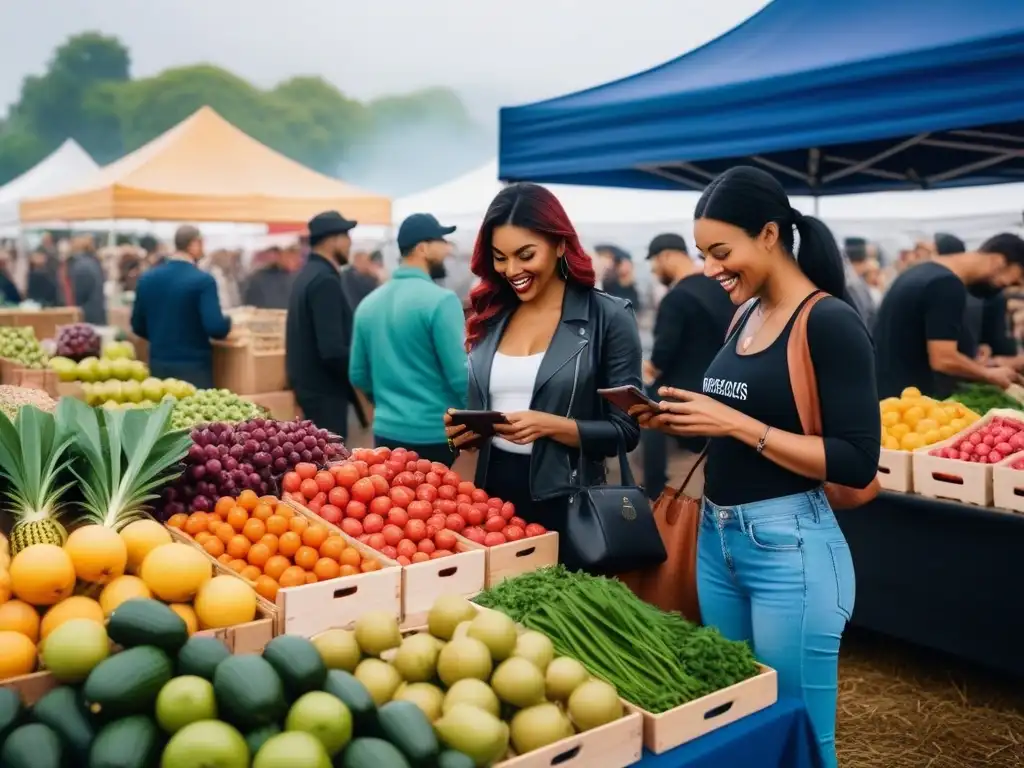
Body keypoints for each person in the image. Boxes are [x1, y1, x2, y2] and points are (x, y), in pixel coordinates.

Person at [634, 166, 879, 768]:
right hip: (718, 542)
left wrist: (734, 424)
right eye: (702, 254)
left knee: (800, 734)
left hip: (790, 550)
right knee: (741, 723)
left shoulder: (829, 321)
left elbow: (855, 459)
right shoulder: (744, 316)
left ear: (769, 234)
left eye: (722, 251)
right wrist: (680, 420)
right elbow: (740, 416)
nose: (711, 267)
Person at [444, 183, 643, 569]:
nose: (512, 271)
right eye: (501, 258)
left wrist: (549, 425)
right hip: (491, 502)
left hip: (568, 501)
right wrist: (464, 433)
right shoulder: (491, 316)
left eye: (525, 255)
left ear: (559, 244)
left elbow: (626, 432)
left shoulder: (609, 317)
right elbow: (482, 418)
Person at [349, 214, 467, 464]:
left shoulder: (368, 304)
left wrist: (387, 401)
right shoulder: (441, 301)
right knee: (432, 502)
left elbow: (357, 374)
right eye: (441, 241)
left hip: (385, 432)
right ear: (423, 248)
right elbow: (459, 375)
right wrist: (481, 421)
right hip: (435, 434)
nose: (447, 248)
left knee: (392, 502)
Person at [874, 231, 1024, 399]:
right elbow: (943, 359)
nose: (1005, 287)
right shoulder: (946, 284)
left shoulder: (920, 271)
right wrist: (988, 374)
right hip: (912, 404)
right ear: (998, 261)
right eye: (1012, 281)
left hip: (889, 397)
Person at [641, 233, 733, 498]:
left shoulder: (676, 298)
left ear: (667, 256)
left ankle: (654, 490)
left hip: (684, 393)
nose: (655, 270)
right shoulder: (720, 286)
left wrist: (649, 368)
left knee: (648, 405)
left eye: (655, 263)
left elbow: (663, 354)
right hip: (722, 388)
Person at [286, 211, 359, 440]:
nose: (350, 243)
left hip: (310, 391)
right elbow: (332, 350)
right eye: (346, 235)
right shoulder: (325, 280)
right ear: (332, 240)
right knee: (331, 469)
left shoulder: (307, 274)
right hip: (326, 395)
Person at [131, 225, 231, 388]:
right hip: (194, 371)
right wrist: (228, 322)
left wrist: (161, 337)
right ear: (194, 244)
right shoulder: (203, 281)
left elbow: (137, 325)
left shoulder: (147, 279)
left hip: (158, 369)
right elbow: (216, 328)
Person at [67, 235, 107, 324]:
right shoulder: (94, 262)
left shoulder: (81, 265)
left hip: (87, 315)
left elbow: (79, 293)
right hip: (98, 311)